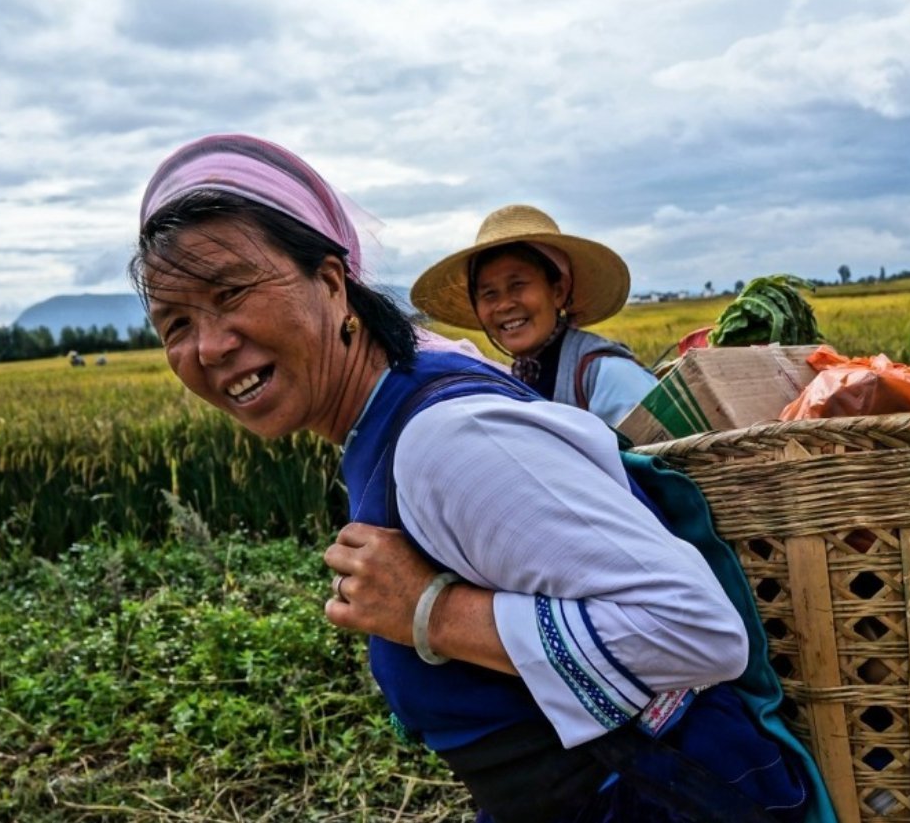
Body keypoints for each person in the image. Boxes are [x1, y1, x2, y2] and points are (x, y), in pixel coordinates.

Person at [131, 134, 834, 823]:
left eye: (230, 292)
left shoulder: (446, 436)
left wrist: (432, 611)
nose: (208, 345)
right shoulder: (389, 415)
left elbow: (694, 629)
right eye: (174, 323)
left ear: (329, 280)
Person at [411, 205, 658, 427]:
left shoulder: (609, 375)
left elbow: (668, 468)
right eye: (489, 294)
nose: (504, 305)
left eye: (517, 284)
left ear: (558, 291)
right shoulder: (517, 379)